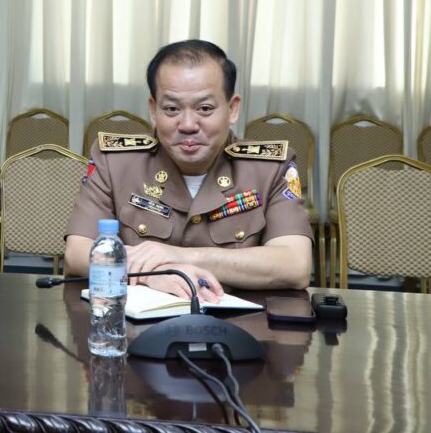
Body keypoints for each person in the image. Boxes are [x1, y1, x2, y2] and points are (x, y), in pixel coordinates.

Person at [64, 40, 312, 300]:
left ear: (232, 109)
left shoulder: (270, 167)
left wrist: (180, 256)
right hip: (135, 322)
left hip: (239, 321)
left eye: (205, 109)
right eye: (171, 109)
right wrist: (152, 273)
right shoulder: (115, 161)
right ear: (153, 110)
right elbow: (78, 252)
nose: (188, 125)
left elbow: (295, 265)